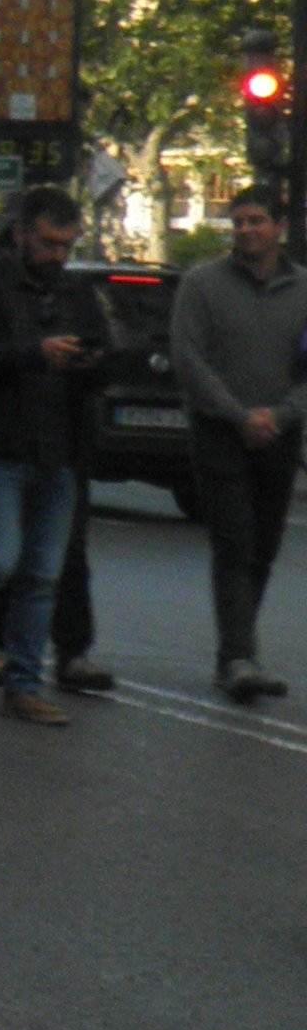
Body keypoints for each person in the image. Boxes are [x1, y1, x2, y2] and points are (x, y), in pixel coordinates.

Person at [0, 190, 105, 727]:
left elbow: (103, 352)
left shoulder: (76, 292)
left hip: (59, 449)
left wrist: (90, 361)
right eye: (49, 242)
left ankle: (23, 683)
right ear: (23, 232)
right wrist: (35, 354)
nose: (57, 254)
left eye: (66, 244)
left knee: (43, 574)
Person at [173, 187, 307, 699]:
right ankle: (238, 657)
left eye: (257, 221)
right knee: (234, 541)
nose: (247, 230)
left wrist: (280, 414)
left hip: (278, 432)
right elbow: (189, 358)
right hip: (220, 431)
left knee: (264, 547)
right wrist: (237, 414)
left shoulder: (301, 288)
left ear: (279, 227)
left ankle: (238, 650)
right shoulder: (202, 284)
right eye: (239, 222)